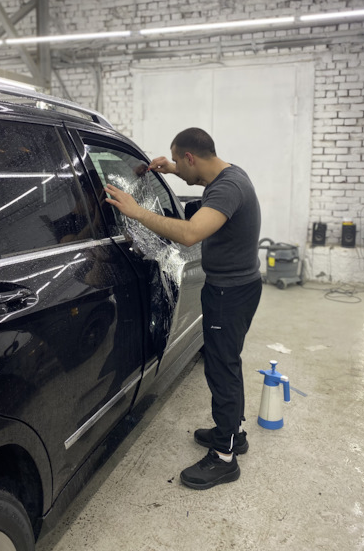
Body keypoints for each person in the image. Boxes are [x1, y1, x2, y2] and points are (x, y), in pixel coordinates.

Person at [104, 127, 262, 490]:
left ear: (191, 157)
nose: (175, 165)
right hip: (238, 287)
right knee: (228, 363)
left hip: (229, 293)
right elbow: (197, 179)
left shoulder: (226, 189)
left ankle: (224, 458)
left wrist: (136, 211)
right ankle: (233, 433)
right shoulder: (229, 174)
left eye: (178, 160)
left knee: (221, 369)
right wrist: (172, 170)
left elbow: (190, 234)